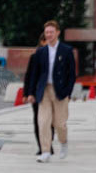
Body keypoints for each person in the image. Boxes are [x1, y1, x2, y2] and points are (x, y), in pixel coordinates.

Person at [22, 20, 77, 162]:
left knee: (60, 124)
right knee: (43, 121)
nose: (49, 35)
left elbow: (72, 74)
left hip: (60, 91)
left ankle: (64, 142)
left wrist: (68, 93)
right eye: (47, 32)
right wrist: (30, 93)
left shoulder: (66, 50)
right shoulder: (40, 52)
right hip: (44, 90)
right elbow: (34, 73)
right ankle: (45, 151)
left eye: (51, 32)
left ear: (58, 33)